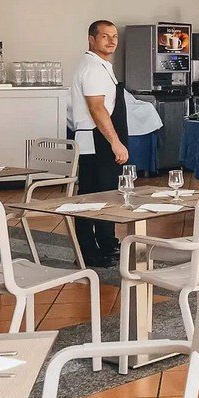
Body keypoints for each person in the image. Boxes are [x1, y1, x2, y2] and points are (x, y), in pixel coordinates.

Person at [68, 19, 129, 266]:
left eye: (114, 36)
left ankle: (105, 243)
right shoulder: (92, 68)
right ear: (91, 39)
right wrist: (115, 142)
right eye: (105, 36)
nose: (112, 41)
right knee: (94, 197)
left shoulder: (100, 65)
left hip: (98, 138)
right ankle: (88, 252)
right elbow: (96, 108)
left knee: (106, 193)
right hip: (96, 139)